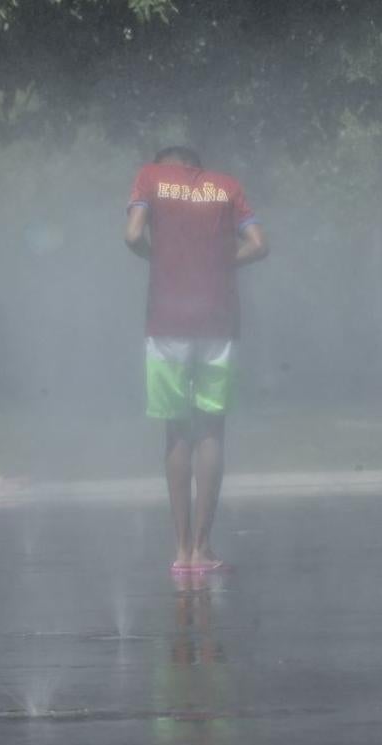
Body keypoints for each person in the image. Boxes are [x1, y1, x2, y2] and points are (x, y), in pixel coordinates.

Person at [125, 147, 268, 572]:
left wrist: (163, 259)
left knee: (176, 431)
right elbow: (259, 244)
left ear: (164, 162)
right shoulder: (227, 186)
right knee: (211, 429)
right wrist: (221, 262)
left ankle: (181, 550)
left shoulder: (149, 177)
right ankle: (204, 548)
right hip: (217, 321)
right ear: (195, 164)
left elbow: (133, 236)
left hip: (167, 320)